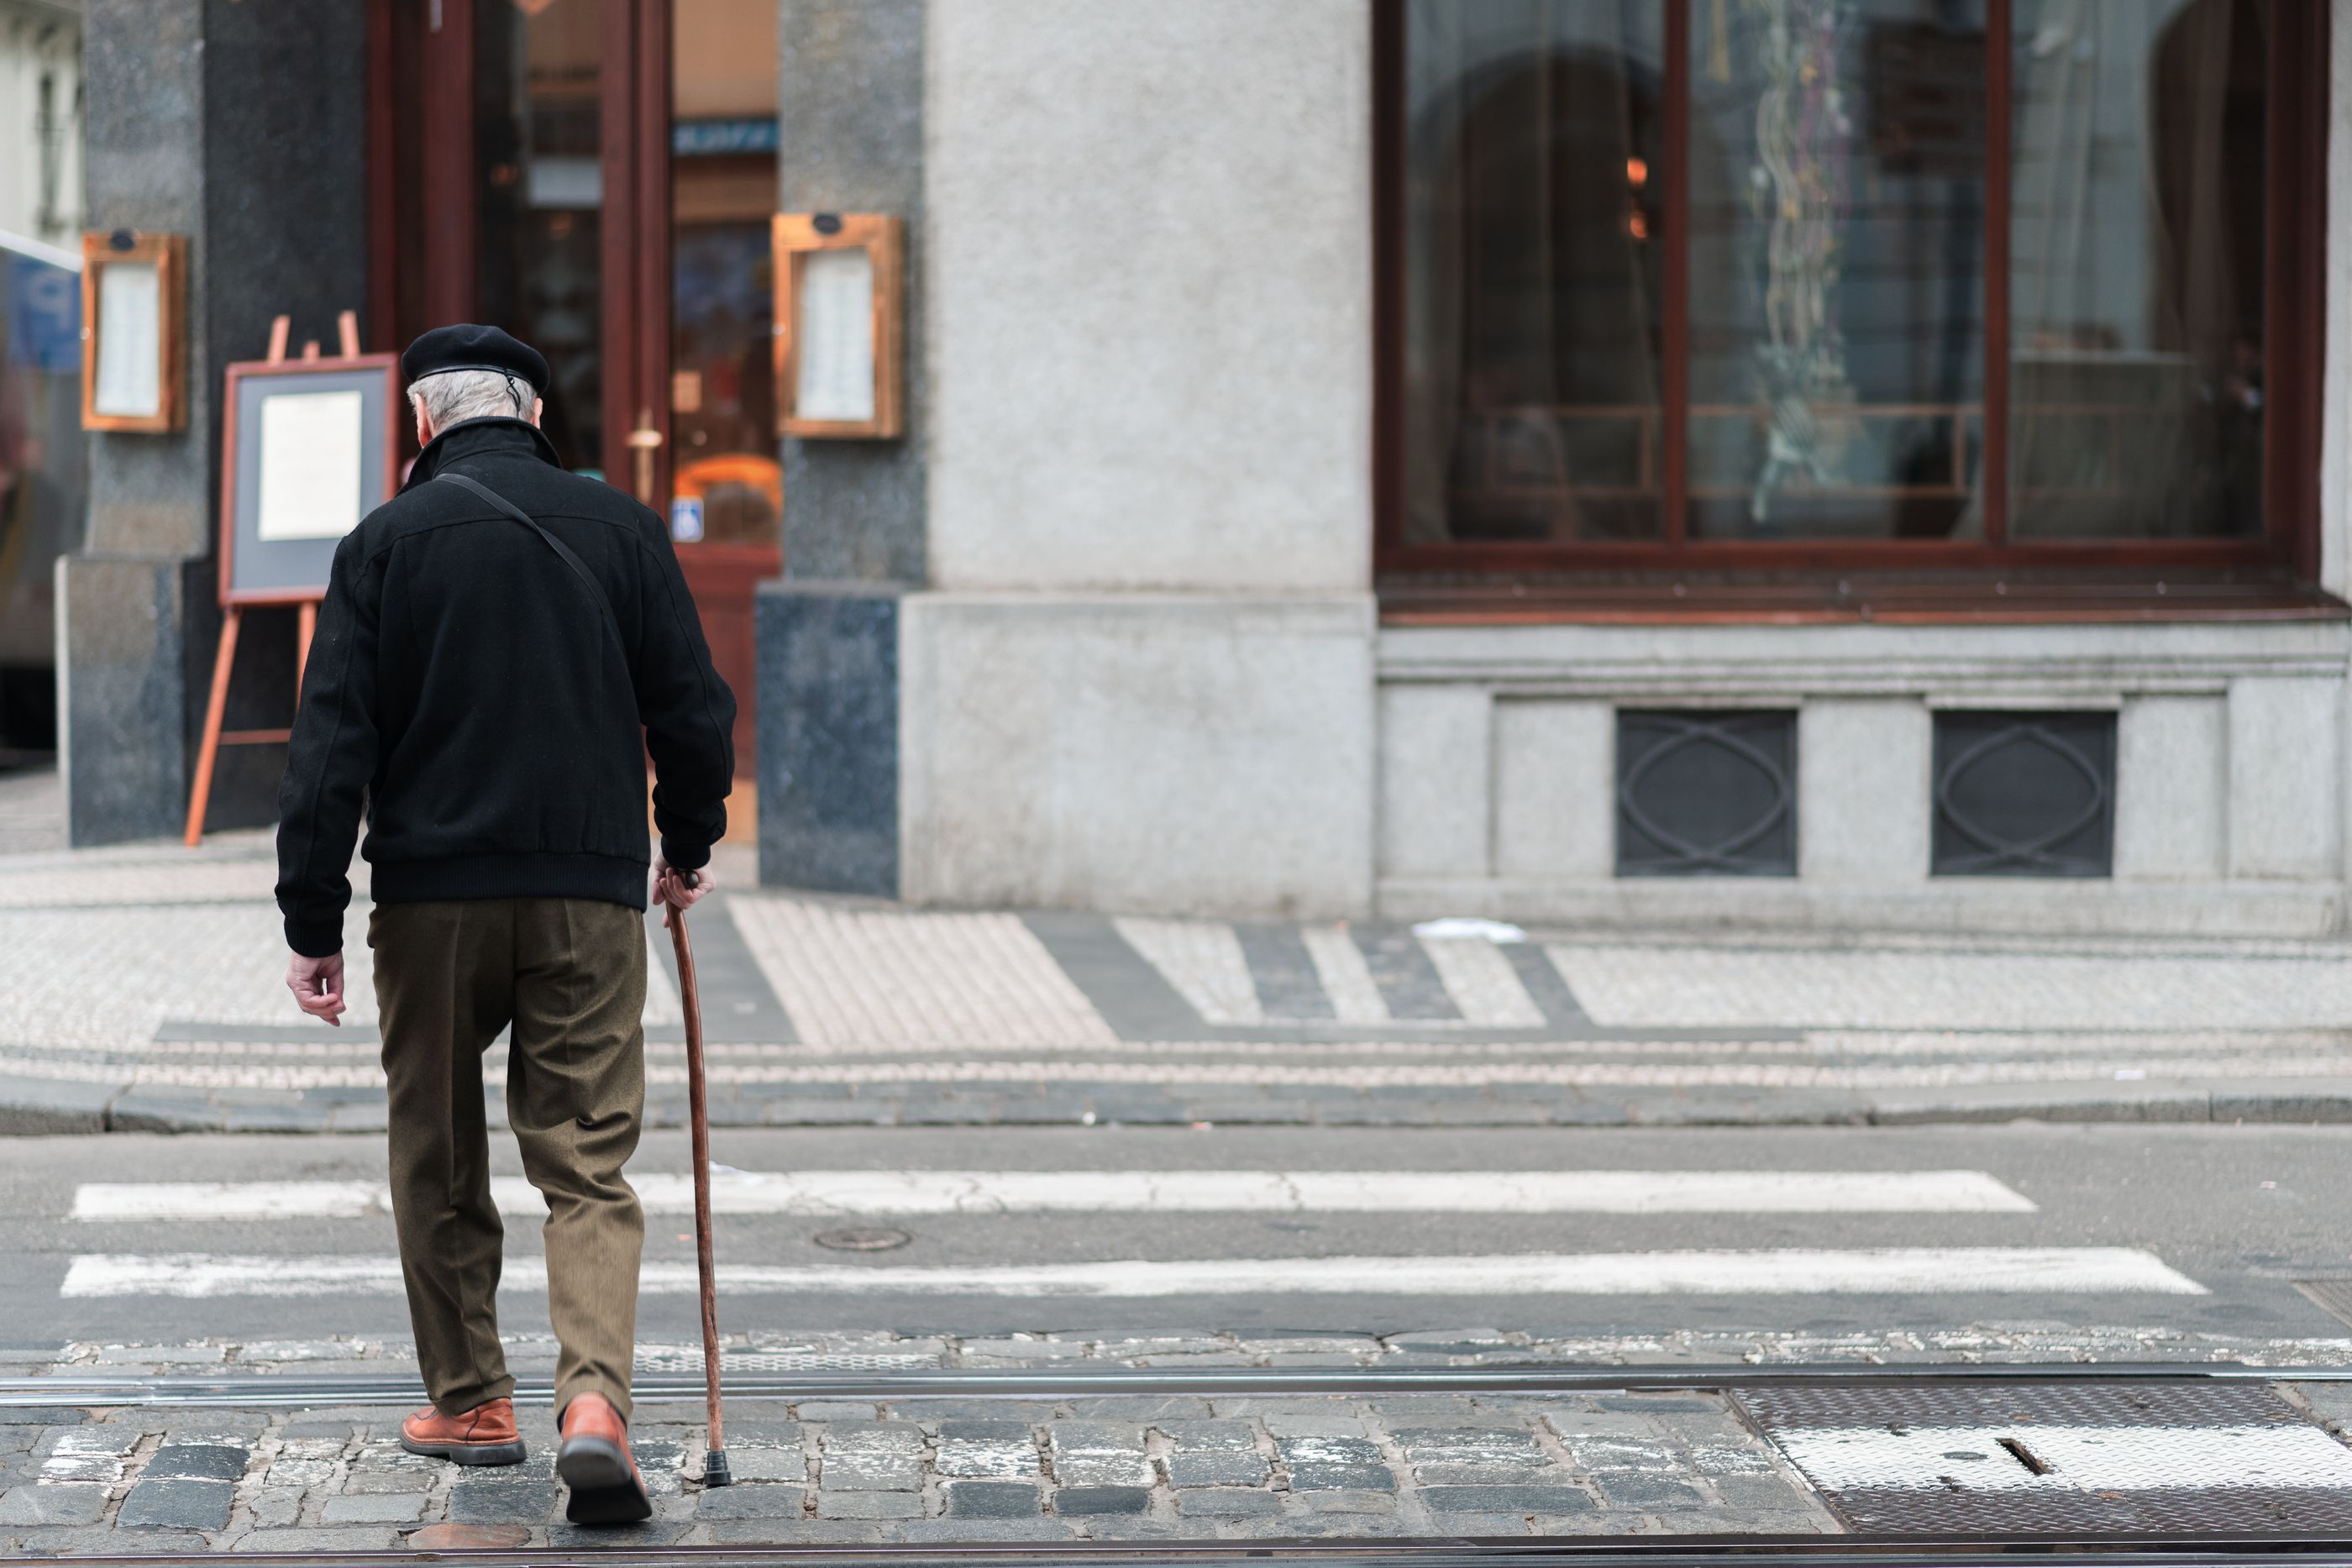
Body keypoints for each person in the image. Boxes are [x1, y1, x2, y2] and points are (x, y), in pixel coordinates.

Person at [275, 324, 736, 1525]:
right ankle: (594, 1406)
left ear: (423, 425)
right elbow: (693, 708)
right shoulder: (624, 529)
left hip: (431, 902)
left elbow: (330, 747)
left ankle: (474, 1402)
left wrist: (311, 915)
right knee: (586, 1157)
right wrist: (686, 846)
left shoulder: (382, 544)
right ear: (533, 416)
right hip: (585, 890)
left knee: (436, 1142)